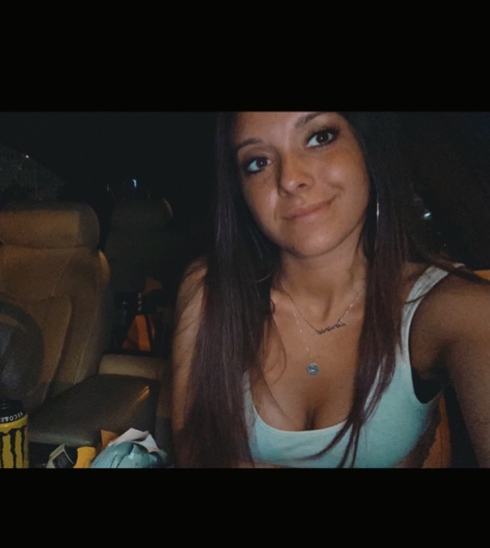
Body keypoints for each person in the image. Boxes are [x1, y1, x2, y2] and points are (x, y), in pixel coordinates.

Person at [171, 111, 490, 468]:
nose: (290, 179)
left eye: (319, 137)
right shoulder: (209, 292)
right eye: (258, 162)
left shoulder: (452, 308)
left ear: (367, 146)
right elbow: (192, 452)